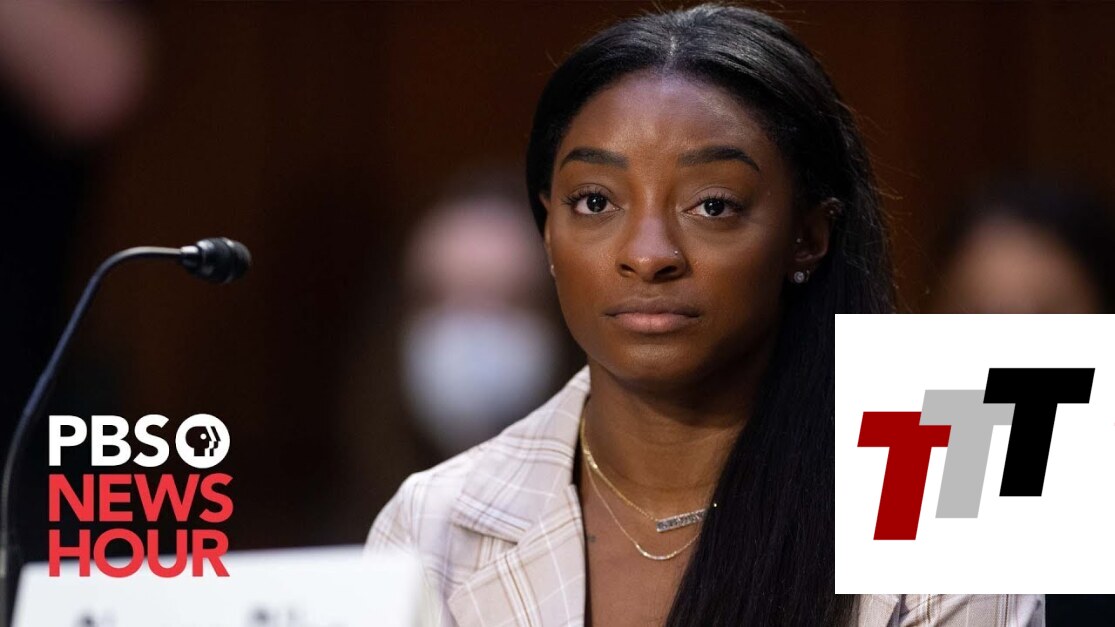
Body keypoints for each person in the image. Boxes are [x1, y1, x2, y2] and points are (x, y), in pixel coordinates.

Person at [367, 5, 1043, 626]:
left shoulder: (962, 476)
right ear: (547, 231)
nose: (647, 255)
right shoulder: (434, 523)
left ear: (807, 235)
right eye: (596, 202)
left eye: (712, 205)